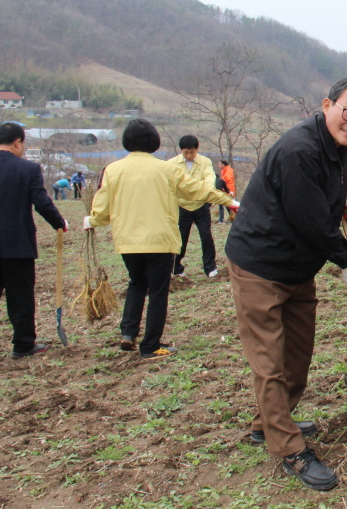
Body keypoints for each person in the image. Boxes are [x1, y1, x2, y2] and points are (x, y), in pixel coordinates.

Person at [225, 78, 347, 492]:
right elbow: (310, 219)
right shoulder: (299, 150)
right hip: (260, 265)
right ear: (327, 105)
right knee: (269, 361)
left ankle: (268, 423)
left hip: (297, 268)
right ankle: (289, 449)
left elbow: (315, 197)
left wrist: (341, 201)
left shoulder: (337, 148)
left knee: (298, 354)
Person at [86, 119, 237, 360]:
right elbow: (198, 190)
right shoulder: (166, 169)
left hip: (128, 240)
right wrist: (230, 201)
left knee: (136, 284)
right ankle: (151, 345)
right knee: (158, 291)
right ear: (154, 142)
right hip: (160, 240)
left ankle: (128, 333)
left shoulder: (113, 170)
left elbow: (102, 209)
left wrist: (92, 220)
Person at [0, 122, 67, 371]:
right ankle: (23, 344)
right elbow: (42, 202)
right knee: (20, 295)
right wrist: (59, 223)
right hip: (16, 243)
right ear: (17, 142)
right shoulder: (28, 169)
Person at [167, 136, 220, 278]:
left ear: (197, 149)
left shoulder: (205, 162)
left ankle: (210, 268)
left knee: (206, 236)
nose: (189, 155)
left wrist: (206, 193)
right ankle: (176, 269)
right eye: (186, 152)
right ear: (181, 151)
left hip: (201, 206)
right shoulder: (171, 164)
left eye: (192, 152)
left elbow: (210, 180)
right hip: (182, 206)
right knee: (180, 238)